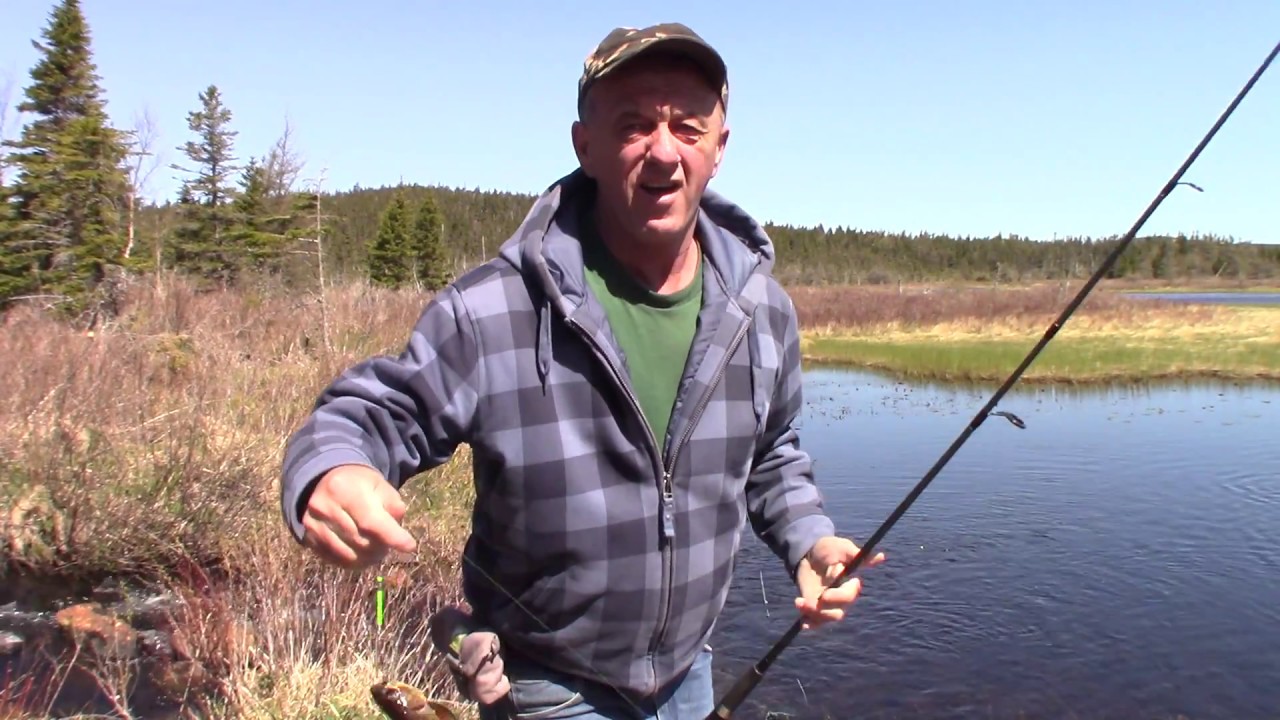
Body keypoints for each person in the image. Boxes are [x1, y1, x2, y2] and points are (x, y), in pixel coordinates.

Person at [280, 22, 885, 720]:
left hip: (690, 677)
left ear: (719, 149)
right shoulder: (494, 307)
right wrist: (332, 470)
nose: (664, 151)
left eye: (688, 127)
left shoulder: (764, 312)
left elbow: (773, 456)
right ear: (585, 145)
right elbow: (378, 413)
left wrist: (809, 540)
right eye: (634, 125)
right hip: (549, 689)